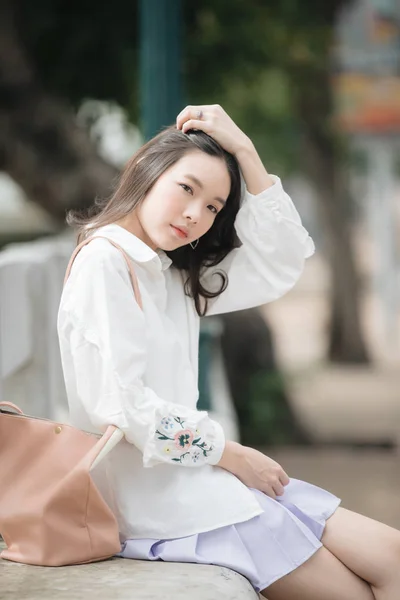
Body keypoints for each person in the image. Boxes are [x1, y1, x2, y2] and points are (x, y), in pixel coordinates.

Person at [58, 104, 400, 599]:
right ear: (145, 173)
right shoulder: (106, 264)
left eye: (214, 206)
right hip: (159, 507)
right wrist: (230, 453)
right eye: (187, 189)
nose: (196, 214)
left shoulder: (168, 272)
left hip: (196, 489)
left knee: (391, 556)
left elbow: (283, 259)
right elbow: (119, 407)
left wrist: (244, 149)